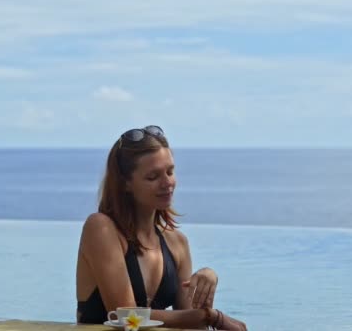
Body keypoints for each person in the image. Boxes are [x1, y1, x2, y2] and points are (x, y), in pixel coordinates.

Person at [76, 126, 247, 330]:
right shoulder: (101, 228)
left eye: (170, 171)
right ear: (125, 184)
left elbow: (192, 323)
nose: (167, 183)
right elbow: (125, 317)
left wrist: (207, 281)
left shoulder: (177, 243)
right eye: (153, 177)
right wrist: (210, 317)